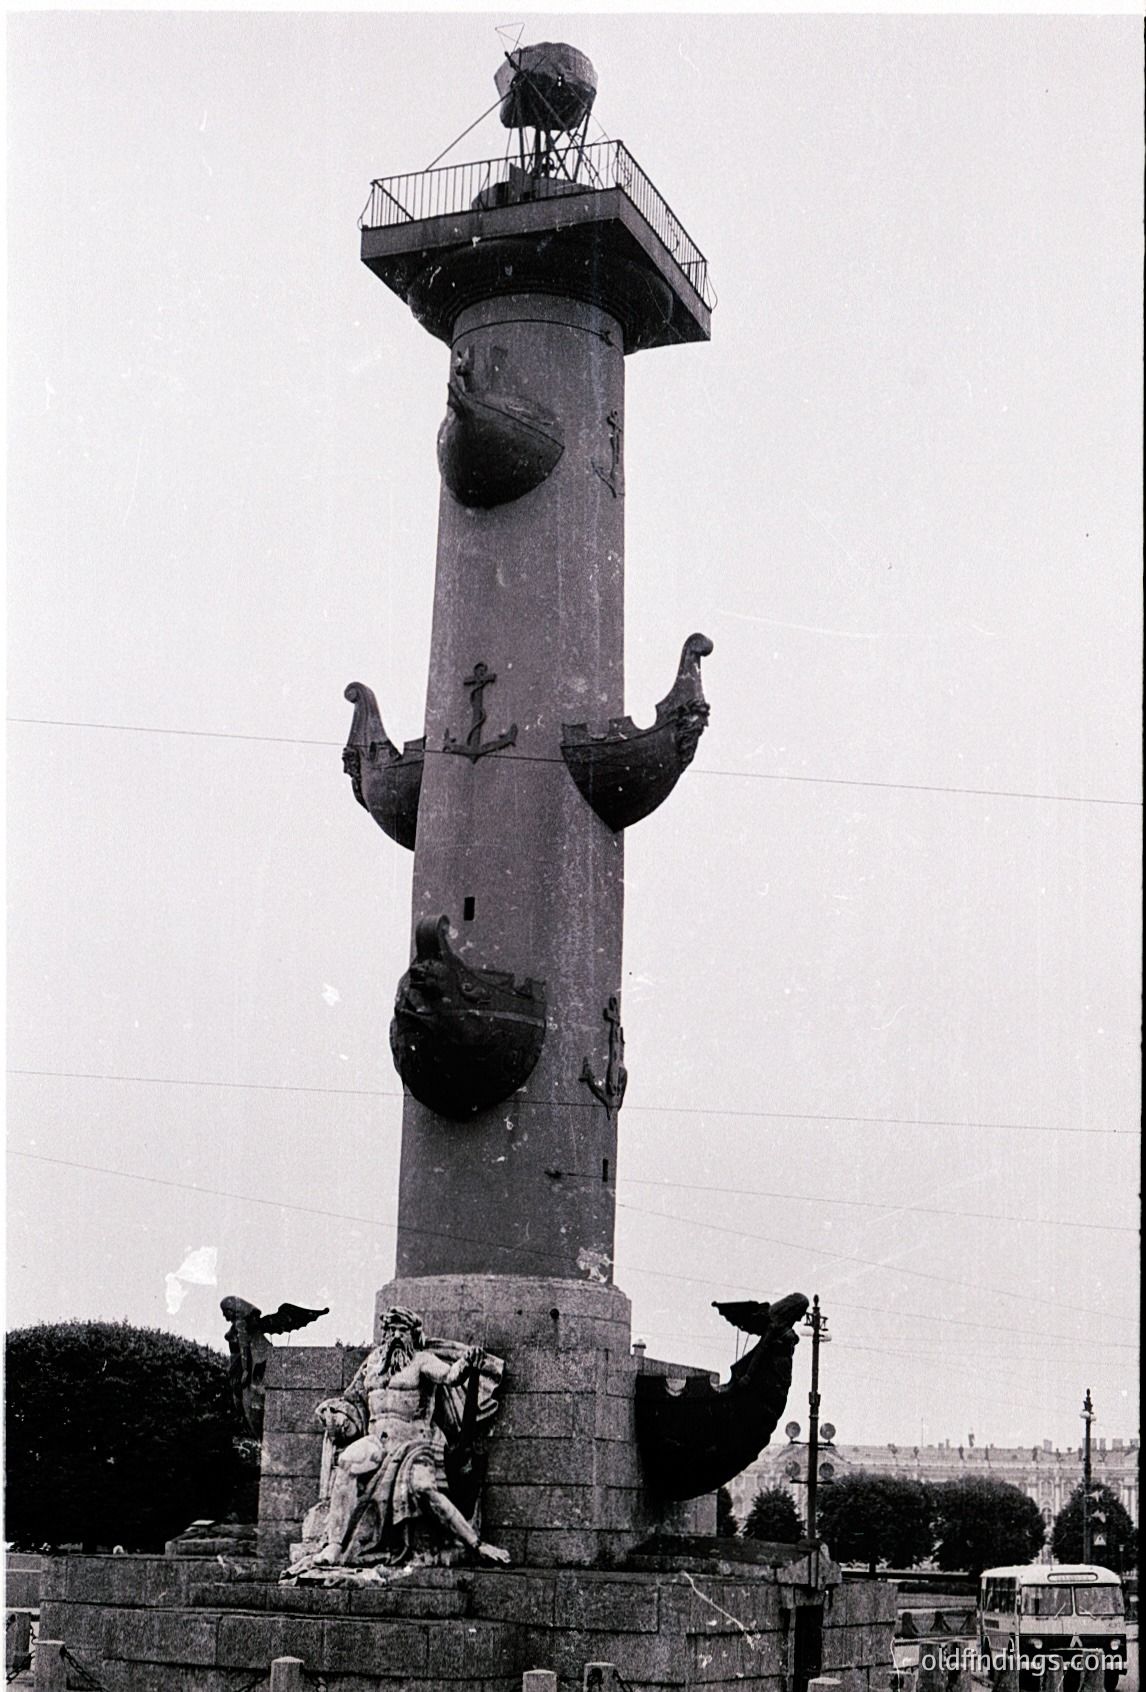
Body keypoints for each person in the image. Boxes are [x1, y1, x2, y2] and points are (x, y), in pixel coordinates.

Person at [290, 1306, 508, 1571]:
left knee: (424, 1488)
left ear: (413, 1334)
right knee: (346, 1462)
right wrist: (336, 1415)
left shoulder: (422, 1360)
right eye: (391, 1330)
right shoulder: (372, 1364)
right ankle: (335, 1545)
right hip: (377, 1442)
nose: (395, 1336)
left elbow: (450, 1376)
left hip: (415, 1444)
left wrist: (466, 1362)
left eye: (402, 1330)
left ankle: (476, 1544)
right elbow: (354, 1401)